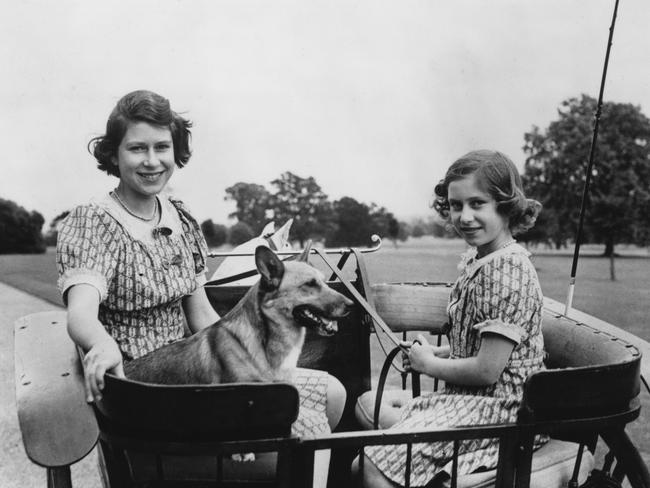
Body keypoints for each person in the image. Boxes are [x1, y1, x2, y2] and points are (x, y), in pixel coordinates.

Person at [56, 89, 344, 484]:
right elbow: (81, 314)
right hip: (146, 392)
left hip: (196, 372)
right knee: (307, 431)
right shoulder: (93, 222)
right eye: (137, 148)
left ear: (177, 150)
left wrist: (253, 361)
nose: (152, 161)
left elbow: (202, 316)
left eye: (162, 147)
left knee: (331, 395)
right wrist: (102, 344)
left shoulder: (180, 219)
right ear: (114, 154)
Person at [355, 149, 545, 487]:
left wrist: (428, 365)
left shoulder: (507, 270)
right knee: (367, 414)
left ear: (505, 205)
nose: (464, 216)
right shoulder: (484, 259)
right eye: (456, 205)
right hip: (473, 403)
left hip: (502, 413)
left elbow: (487, 370)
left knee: (370, 464)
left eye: (477, 204)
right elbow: (481, 345)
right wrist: (434, 354)